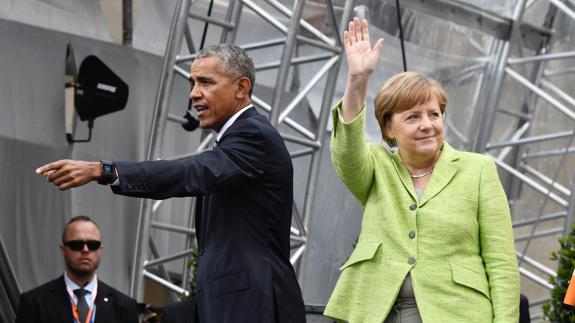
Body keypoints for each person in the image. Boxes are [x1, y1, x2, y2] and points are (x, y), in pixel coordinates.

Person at [35, 44, 306, 323]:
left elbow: (191, 171)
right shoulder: (235, 142)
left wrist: (104, 170)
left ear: (241, 87)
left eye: (205, 82)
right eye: (192, 83)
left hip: (254, 306)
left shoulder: (254, 135)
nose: (193, 94)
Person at [323, 18, 520, 322]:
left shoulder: (478, 170)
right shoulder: (377, 165)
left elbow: (502, 263)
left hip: (456, 312)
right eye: (413, 117)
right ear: (389, 127)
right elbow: (346, 152)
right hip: (373, 309)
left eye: (434, 114)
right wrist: (357, 82)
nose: (428, 124)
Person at [15, 215, 139, 323]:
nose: (85, 250)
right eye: (76, 245)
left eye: (92, 245)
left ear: (100, 249)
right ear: (63, 249)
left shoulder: (124, 306)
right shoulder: (34, 303)